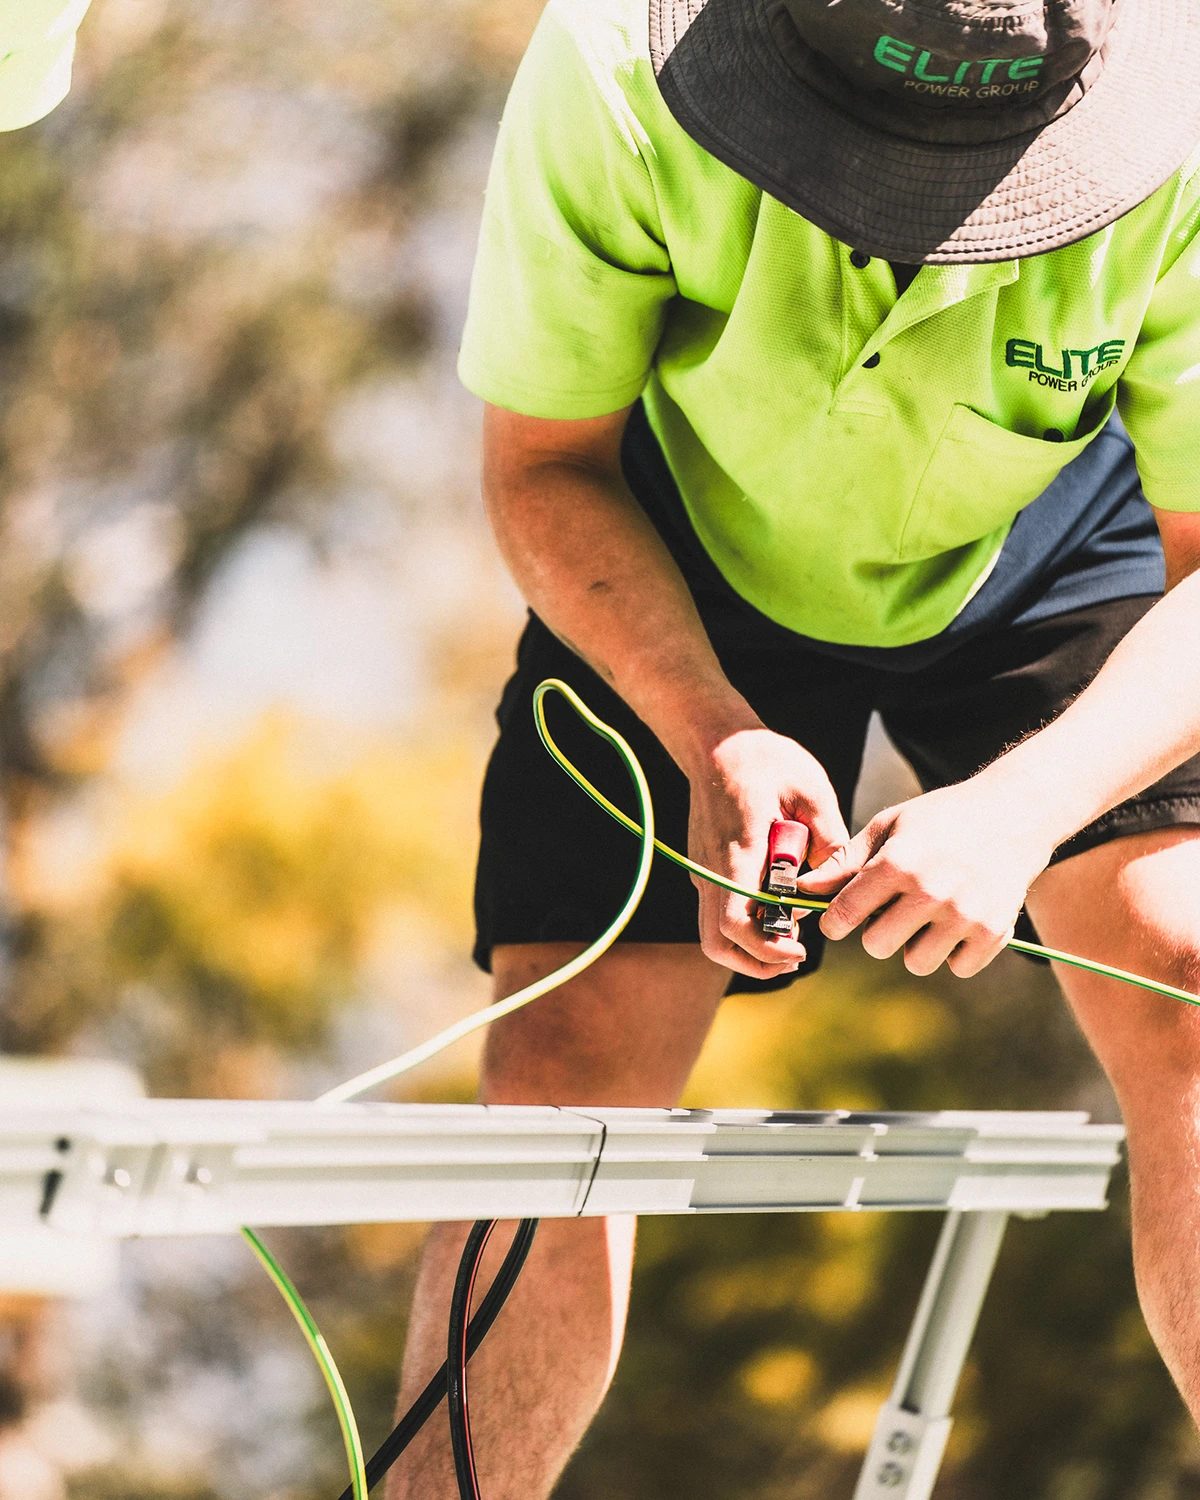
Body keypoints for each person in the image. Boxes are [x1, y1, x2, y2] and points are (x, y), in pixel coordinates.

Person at [388, 0, 1200, 1494]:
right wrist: (712, 736)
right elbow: (544, 466)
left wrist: (1020, 807)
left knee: (1188, 971)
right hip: (679, 549)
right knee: (563, 1078)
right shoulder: (611, 65)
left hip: (1047, 544)